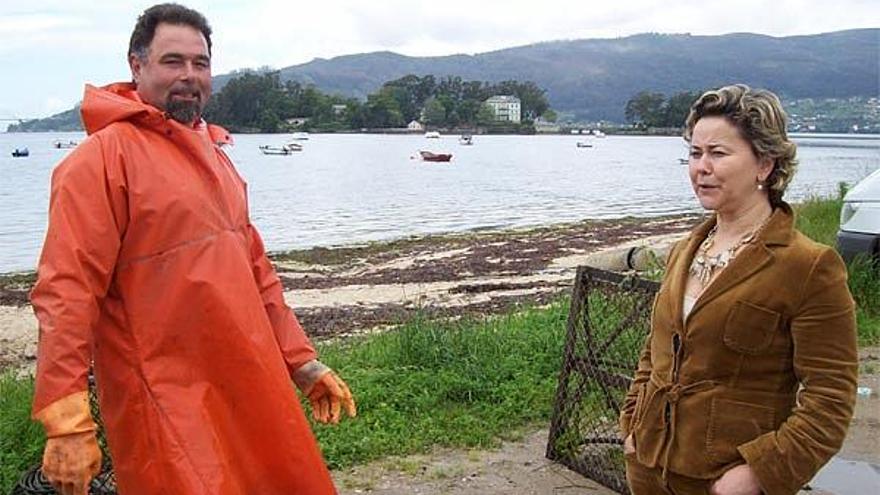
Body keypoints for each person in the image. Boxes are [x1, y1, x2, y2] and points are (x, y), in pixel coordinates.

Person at [30, 4, 355, 494]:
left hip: (249, 381)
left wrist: (302, 363)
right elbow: (66, 291)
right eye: (172, 61)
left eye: (199, 64)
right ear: (136, 66)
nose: (189, 76)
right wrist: (66, 418)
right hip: (164, 398)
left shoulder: (214, 156)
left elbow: (256, 272)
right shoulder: (99, 162)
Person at [618, 85, 858, 495]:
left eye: (718, 153)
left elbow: (831, 398)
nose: (701, 167)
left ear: (764, 164)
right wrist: (632, 424)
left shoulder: (808, 266)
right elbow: (655, 351)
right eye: (695, 154)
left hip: (724, 481)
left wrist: (760, 473)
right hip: (648, 470)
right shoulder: (683, 251)